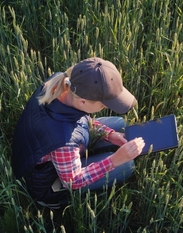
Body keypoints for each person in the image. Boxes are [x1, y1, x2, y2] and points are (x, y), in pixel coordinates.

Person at [11, 57, 145, 209]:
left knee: (119, 124)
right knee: (127, 165)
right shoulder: (63, 140)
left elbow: (81, 120)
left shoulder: (59, 85)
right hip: (49, 185)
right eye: (103, 105)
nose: (104, 108)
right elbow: (73, 181)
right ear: (83, 102)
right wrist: (115, 159)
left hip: (45, 145)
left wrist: (110, 135)